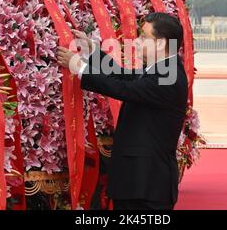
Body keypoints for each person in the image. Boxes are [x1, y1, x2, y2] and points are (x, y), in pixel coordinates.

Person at [57, 12, 188, 210]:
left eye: (144, 37)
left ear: (161, 44)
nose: (136, 41)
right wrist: (92, 51)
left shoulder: (168, 76)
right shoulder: (162, 69)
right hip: (137, 182)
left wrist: (78, 66)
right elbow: (123, 76)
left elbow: (122, 89)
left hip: (147, 186)